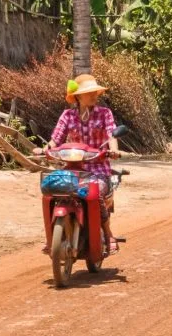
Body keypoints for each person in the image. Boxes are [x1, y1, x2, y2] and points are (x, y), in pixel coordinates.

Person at [35, 74, 121, 253]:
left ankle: (107, 232)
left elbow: (111, 135)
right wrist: (45, 149)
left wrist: (113, 150)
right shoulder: (68, 115)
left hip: (98, 167)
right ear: (78, 97)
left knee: (95, 193)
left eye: (95, 92)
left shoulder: (105, 113)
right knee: (52, 191)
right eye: (89, 92)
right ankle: (52, 238)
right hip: (72, 168)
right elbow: (55, 139)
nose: (94, 95)